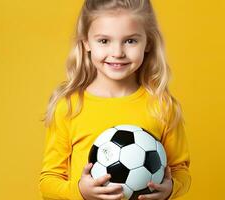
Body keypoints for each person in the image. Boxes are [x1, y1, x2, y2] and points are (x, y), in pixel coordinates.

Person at [38, 0, 191, 200]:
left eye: (130, 41)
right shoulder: (70, 107)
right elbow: (49, 181)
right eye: (104, 41)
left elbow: (181, 170)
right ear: (86, 42)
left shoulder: (161, 106)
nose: (117, 53)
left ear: (148, 43)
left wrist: (171, 188)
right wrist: (80, 192)